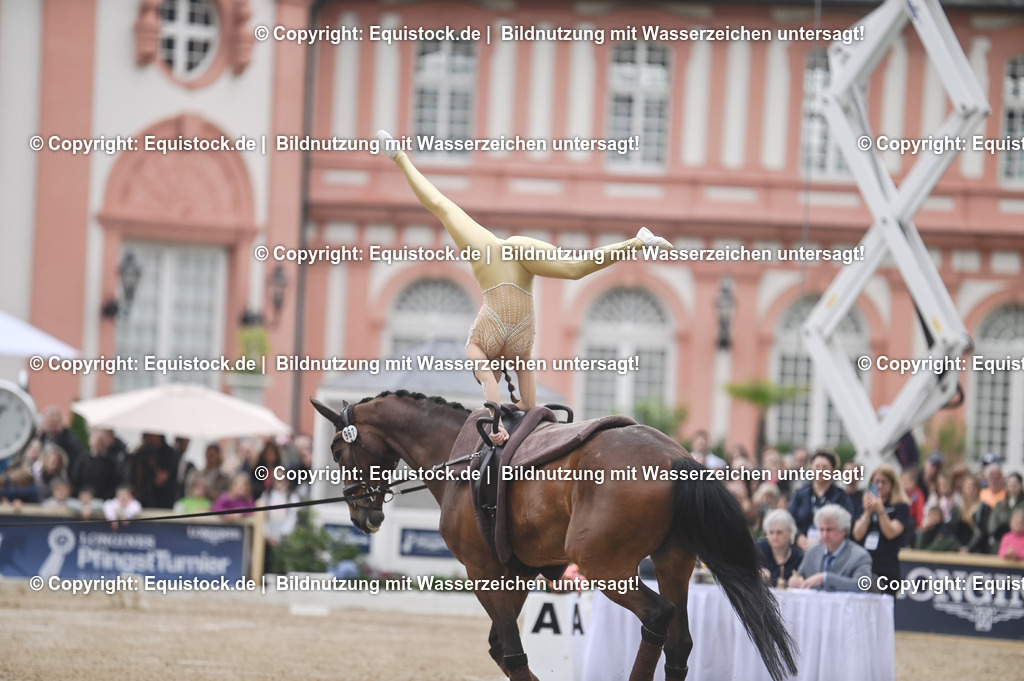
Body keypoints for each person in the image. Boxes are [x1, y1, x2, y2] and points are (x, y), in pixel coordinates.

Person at [378, 129, 673, 443]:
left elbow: (506, 395)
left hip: (505, 302)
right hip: (505, 272)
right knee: (572, 267)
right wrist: (504, 410)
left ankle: (398, 156)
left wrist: (496, 427)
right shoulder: (495, 350)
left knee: (443, 208)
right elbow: (522, 401)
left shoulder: (484, 349)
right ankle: (637, 242)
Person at [851, 465, 910, 595]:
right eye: (876, 482)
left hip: (887, 567)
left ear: (892, 484)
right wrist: (867, 512)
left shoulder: (901, 507)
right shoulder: (863, 505)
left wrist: (880, 510)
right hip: (864, 566)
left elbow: (891, 533)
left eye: (884, 482)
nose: (880, 486)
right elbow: (857, 534)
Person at [788, 504, 873, 592]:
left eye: (830, 530)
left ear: (844, 531)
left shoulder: (860, 555)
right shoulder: (811, 552)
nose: (825, 535)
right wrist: (795, 581)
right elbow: (799, 577)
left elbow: (863, 586)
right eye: (821, 529)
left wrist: (825, 578)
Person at [787, 449, 854, 550]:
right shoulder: (801, 494)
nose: (820, 470)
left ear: (833, 470)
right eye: (817, 466)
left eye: (825, 467)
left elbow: (846, 524)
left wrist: (820, 541)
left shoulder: (841, 496)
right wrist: (799, 537)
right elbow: (789, 519)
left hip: (830, 549)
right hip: (801, 549)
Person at [757, 509, 804, 587]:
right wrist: (757, 573)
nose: (774, 537)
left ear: (790, 532)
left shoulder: (798, 556)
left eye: (779, 532)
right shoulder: (759, 548)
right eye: (771, 532)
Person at [988, 472, 1024, 553]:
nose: (1012, 488)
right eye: (1009, 485)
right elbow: (992, 526)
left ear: (1021, 485)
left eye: (1015, 485)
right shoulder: (1000, 505)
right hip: (1001, 543)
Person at [38, 406, 83, 470]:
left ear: (60, 422)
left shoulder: (69, 440)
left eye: (54, 422)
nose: (51, 425)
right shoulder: (41, 437)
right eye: (49, 422)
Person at [957, 474, 991, 554]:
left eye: (973, 487)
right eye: (968, 487)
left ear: (978, 489)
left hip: (977, 550)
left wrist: (969, 548)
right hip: (959, 550)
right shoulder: (957, 507)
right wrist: (959, 547)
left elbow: (983, 532)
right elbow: (953, 530)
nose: (970, 491)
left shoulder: (984, 508)